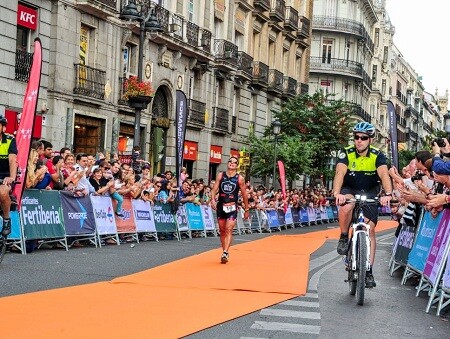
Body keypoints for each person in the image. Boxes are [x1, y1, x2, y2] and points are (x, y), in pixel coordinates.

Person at [332, 121, 392, 287]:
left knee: (371, 230)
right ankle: (344, 236)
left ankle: (369, 271)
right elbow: (339, 173)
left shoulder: (377, 155)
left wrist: (388, 194)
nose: (359, 140)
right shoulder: (346, 153)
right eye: (356, 137)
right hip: (350, 188)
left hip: (369, 191)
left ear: (370, 140)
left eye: (363, 138)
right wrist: (337, 193)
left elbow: (385, 175)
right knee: (346, 206)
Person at [210, 156, 249, 264]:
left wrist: (247, 209)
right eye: (230, 161)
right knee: (222, 230)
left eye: (234, 162)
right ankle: (224, 251)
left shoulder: (239, 178)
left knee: (228, 229)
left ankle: (226, 252)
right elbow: (214, 190)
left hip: (232, 206)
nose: (232, 163)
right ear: (227, 163)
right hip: (221, 206)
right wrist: (212, 199)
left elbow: (245, 195)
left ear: (237, 166)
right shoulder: (220, 175)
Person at [0, 115, 18, 236]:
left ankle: (6, 219)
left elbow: (12, 160)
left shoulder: (10, 140)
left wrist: (12, 177)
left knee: (2, 192)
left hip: (4, 176)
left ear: (3, 128)